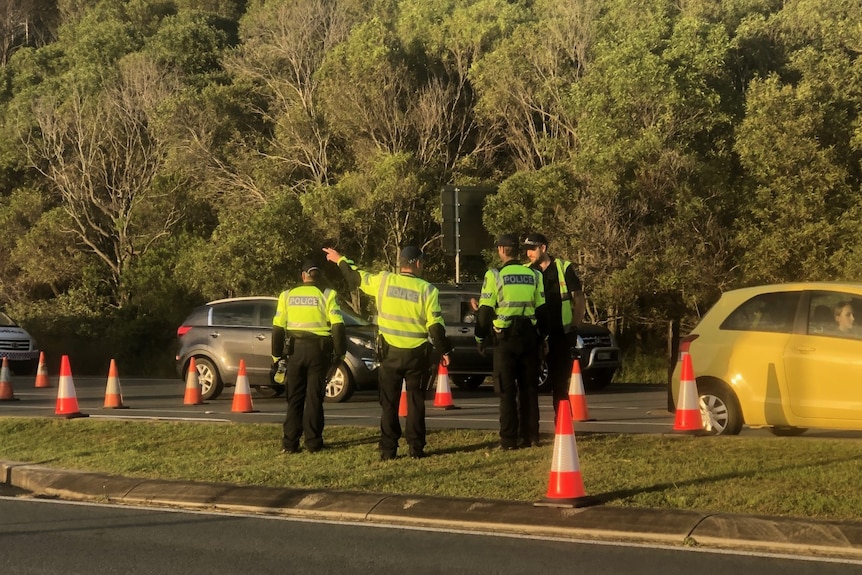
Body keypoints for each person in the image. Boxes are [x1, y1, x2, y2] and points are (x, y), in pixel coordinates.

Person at [323, 245, 452, 460]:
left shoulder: (384, 281)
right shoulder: (428, 290)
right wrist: (444, 350)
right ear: (418, 263)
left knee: (389, 404)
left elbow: (355, 277)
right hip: (416, 354)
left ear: (401, 263)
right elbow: (435, 327)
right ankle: (416, 448)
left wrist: (339, 259)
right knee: (416, 402)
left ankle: (388, 449)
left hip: (390, 354)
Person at [474, 233, 548, 450]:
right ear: (517, 250)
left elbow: (485, 312)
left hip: (505, 340)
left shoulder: (494, 275)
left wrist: (480, 337)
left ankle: (508, 440)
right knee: (529, 389)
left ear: (501, 250)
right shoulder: (534, 275)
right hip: (529, 338)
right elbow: (542, 310)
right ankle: (531, 437)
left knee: (506, 391)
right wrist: (544, 338)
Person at [272, 257, 347, 454]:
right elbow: (338, 326)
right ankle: (313, 443)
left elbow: (278, 328)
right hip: (318, 351)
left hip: (295, 351)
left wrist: (276, 356)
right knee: (314, 398)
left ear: (303, 275)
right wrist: (340, 353)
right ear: (318, 275)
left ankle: (290, 443)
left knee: (294, 398)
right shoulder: (328, 294)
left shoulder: (287, 295)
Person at [522, 232, 586, 422]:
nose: (528, 254)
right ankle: (531, 429)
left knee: (559, 384)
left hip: (560, 334)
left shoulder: (563, 268)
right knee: (529, 383)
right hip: (535, 335)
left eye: (532, 249)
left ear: (543, 248)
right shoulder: (526, 271)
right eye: (526, 250)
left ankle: (563, 425)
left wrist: (574, 327)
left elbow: (579, 299)